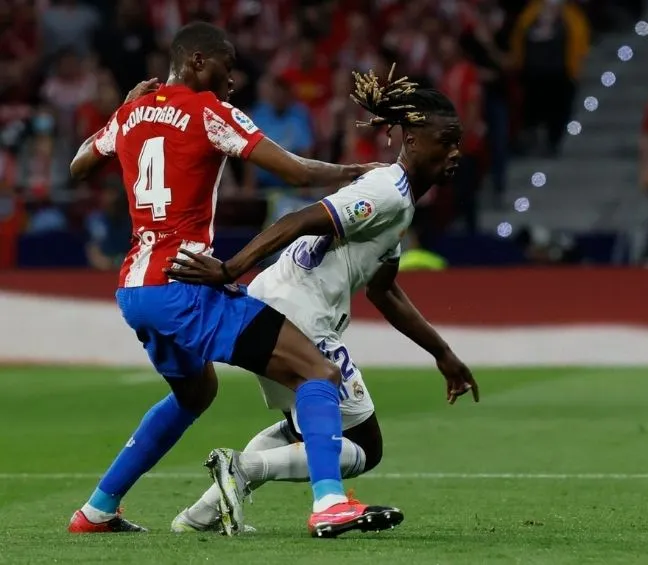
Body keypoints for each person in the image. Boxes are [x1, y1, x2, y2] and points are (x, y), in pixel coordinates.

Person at [65, 21, 404, 539]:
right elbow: (292, 171)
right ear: (198, 61)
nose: (233, 81)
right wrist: (356, 172)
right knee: (316, 372)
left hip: (136, 289)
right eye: (226, 66)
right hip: (183, 287)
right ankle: (331, 503)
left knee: (195, 393)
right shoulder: (208, 112)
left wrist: (120, 112)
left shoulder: (133, 111)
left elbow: (79, 165)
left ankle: (96, 510)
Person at [166, 66, 479, 535]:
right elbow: (296, 220)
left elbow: (384, 290)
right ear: (412, 141)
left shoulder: (399, 204)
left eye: (458, 142)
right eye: (445, 140)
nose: (454, 151)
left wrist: (443, 353)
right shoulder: (387, 192)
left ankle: (202, 514)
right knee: (365, 447)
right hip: (299, 309)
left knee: (301, 427)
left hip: (277, 299)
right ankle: (251, 471)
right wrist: (231, 268)